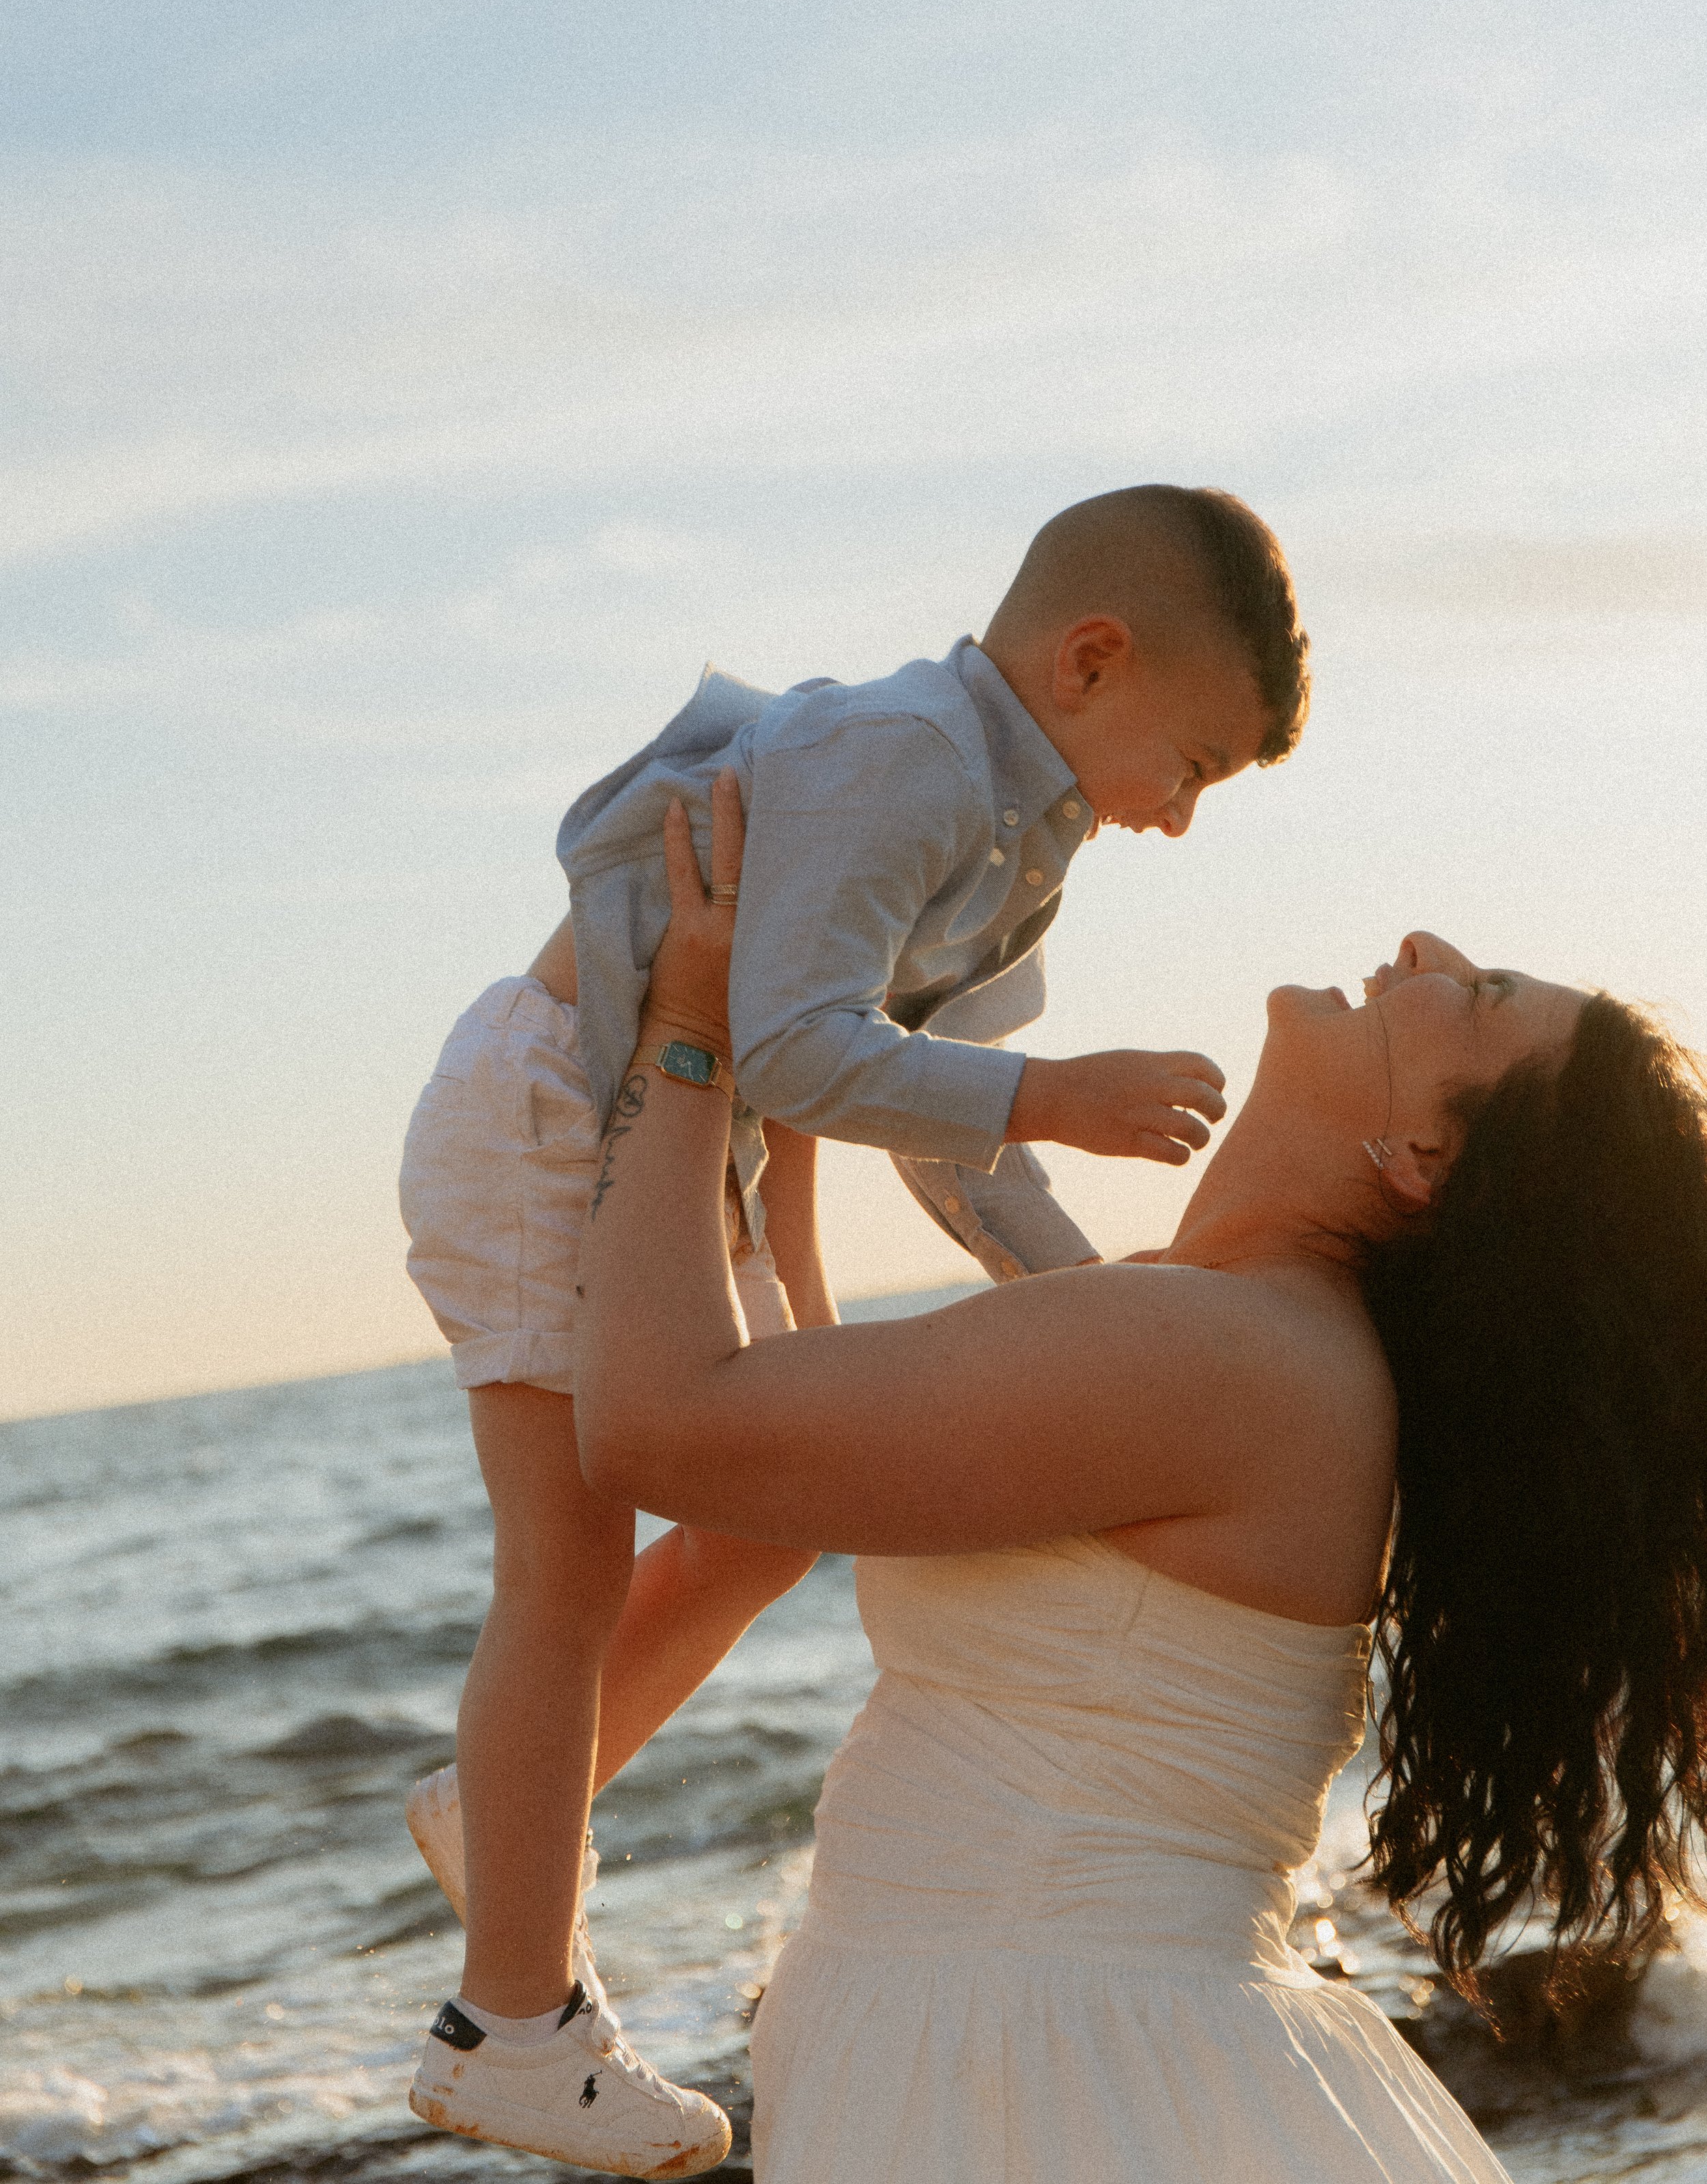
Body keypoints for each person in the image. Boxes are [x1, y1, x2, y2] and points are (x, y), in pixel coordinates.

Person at [564, 773, 1707, 2183]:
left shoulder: (1222, 1356)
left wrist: (684, 1035)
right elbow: (785, 1447)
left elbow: (659, 1427)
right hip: (1049, 2045)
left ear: (1418, 1156)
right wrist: (787, 1091)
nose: (1422, 950)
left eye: (1474, 998)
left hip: (1054, 2076)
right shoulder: (1226, 1334)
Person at [401, 486, 1312, 2174]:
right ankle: (508, 2027)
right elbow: (805, 1044)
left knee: (763, 1518)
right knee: (565, 1572)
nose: (1180, 820)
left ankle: (503, 1812)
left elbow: (948, 1146)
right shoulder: (908, 758)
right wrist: (1058, 1091)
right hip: (549, 1116)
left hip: (678, 1151)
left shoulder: (1018, 833)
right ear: (1092, 661)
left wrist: (1144, 1313)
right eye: (1191, 769)